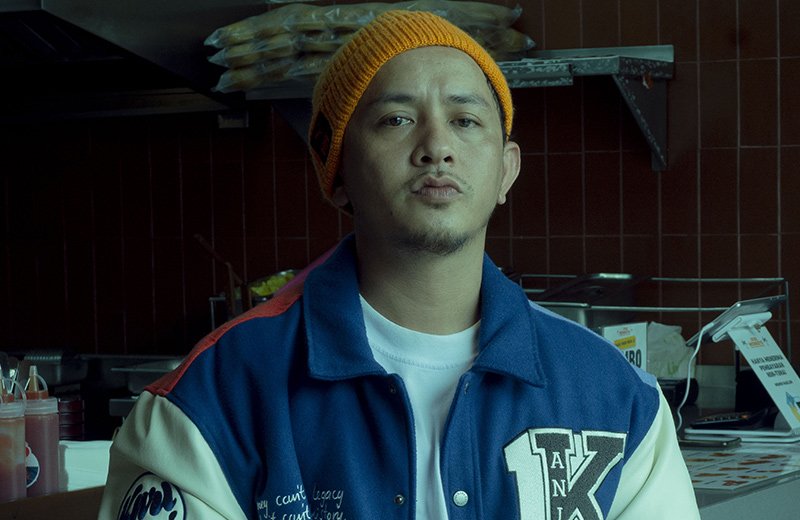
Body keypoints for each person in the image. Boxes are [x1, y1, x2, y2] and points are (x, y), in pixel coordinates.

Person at [99, 10, 700, 520]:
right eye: (397, 120)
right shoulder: (212, 401)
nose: (437, 146)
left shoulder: (617, 400)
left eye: (465, 120)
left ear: (506, 171)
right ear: (337, 174)